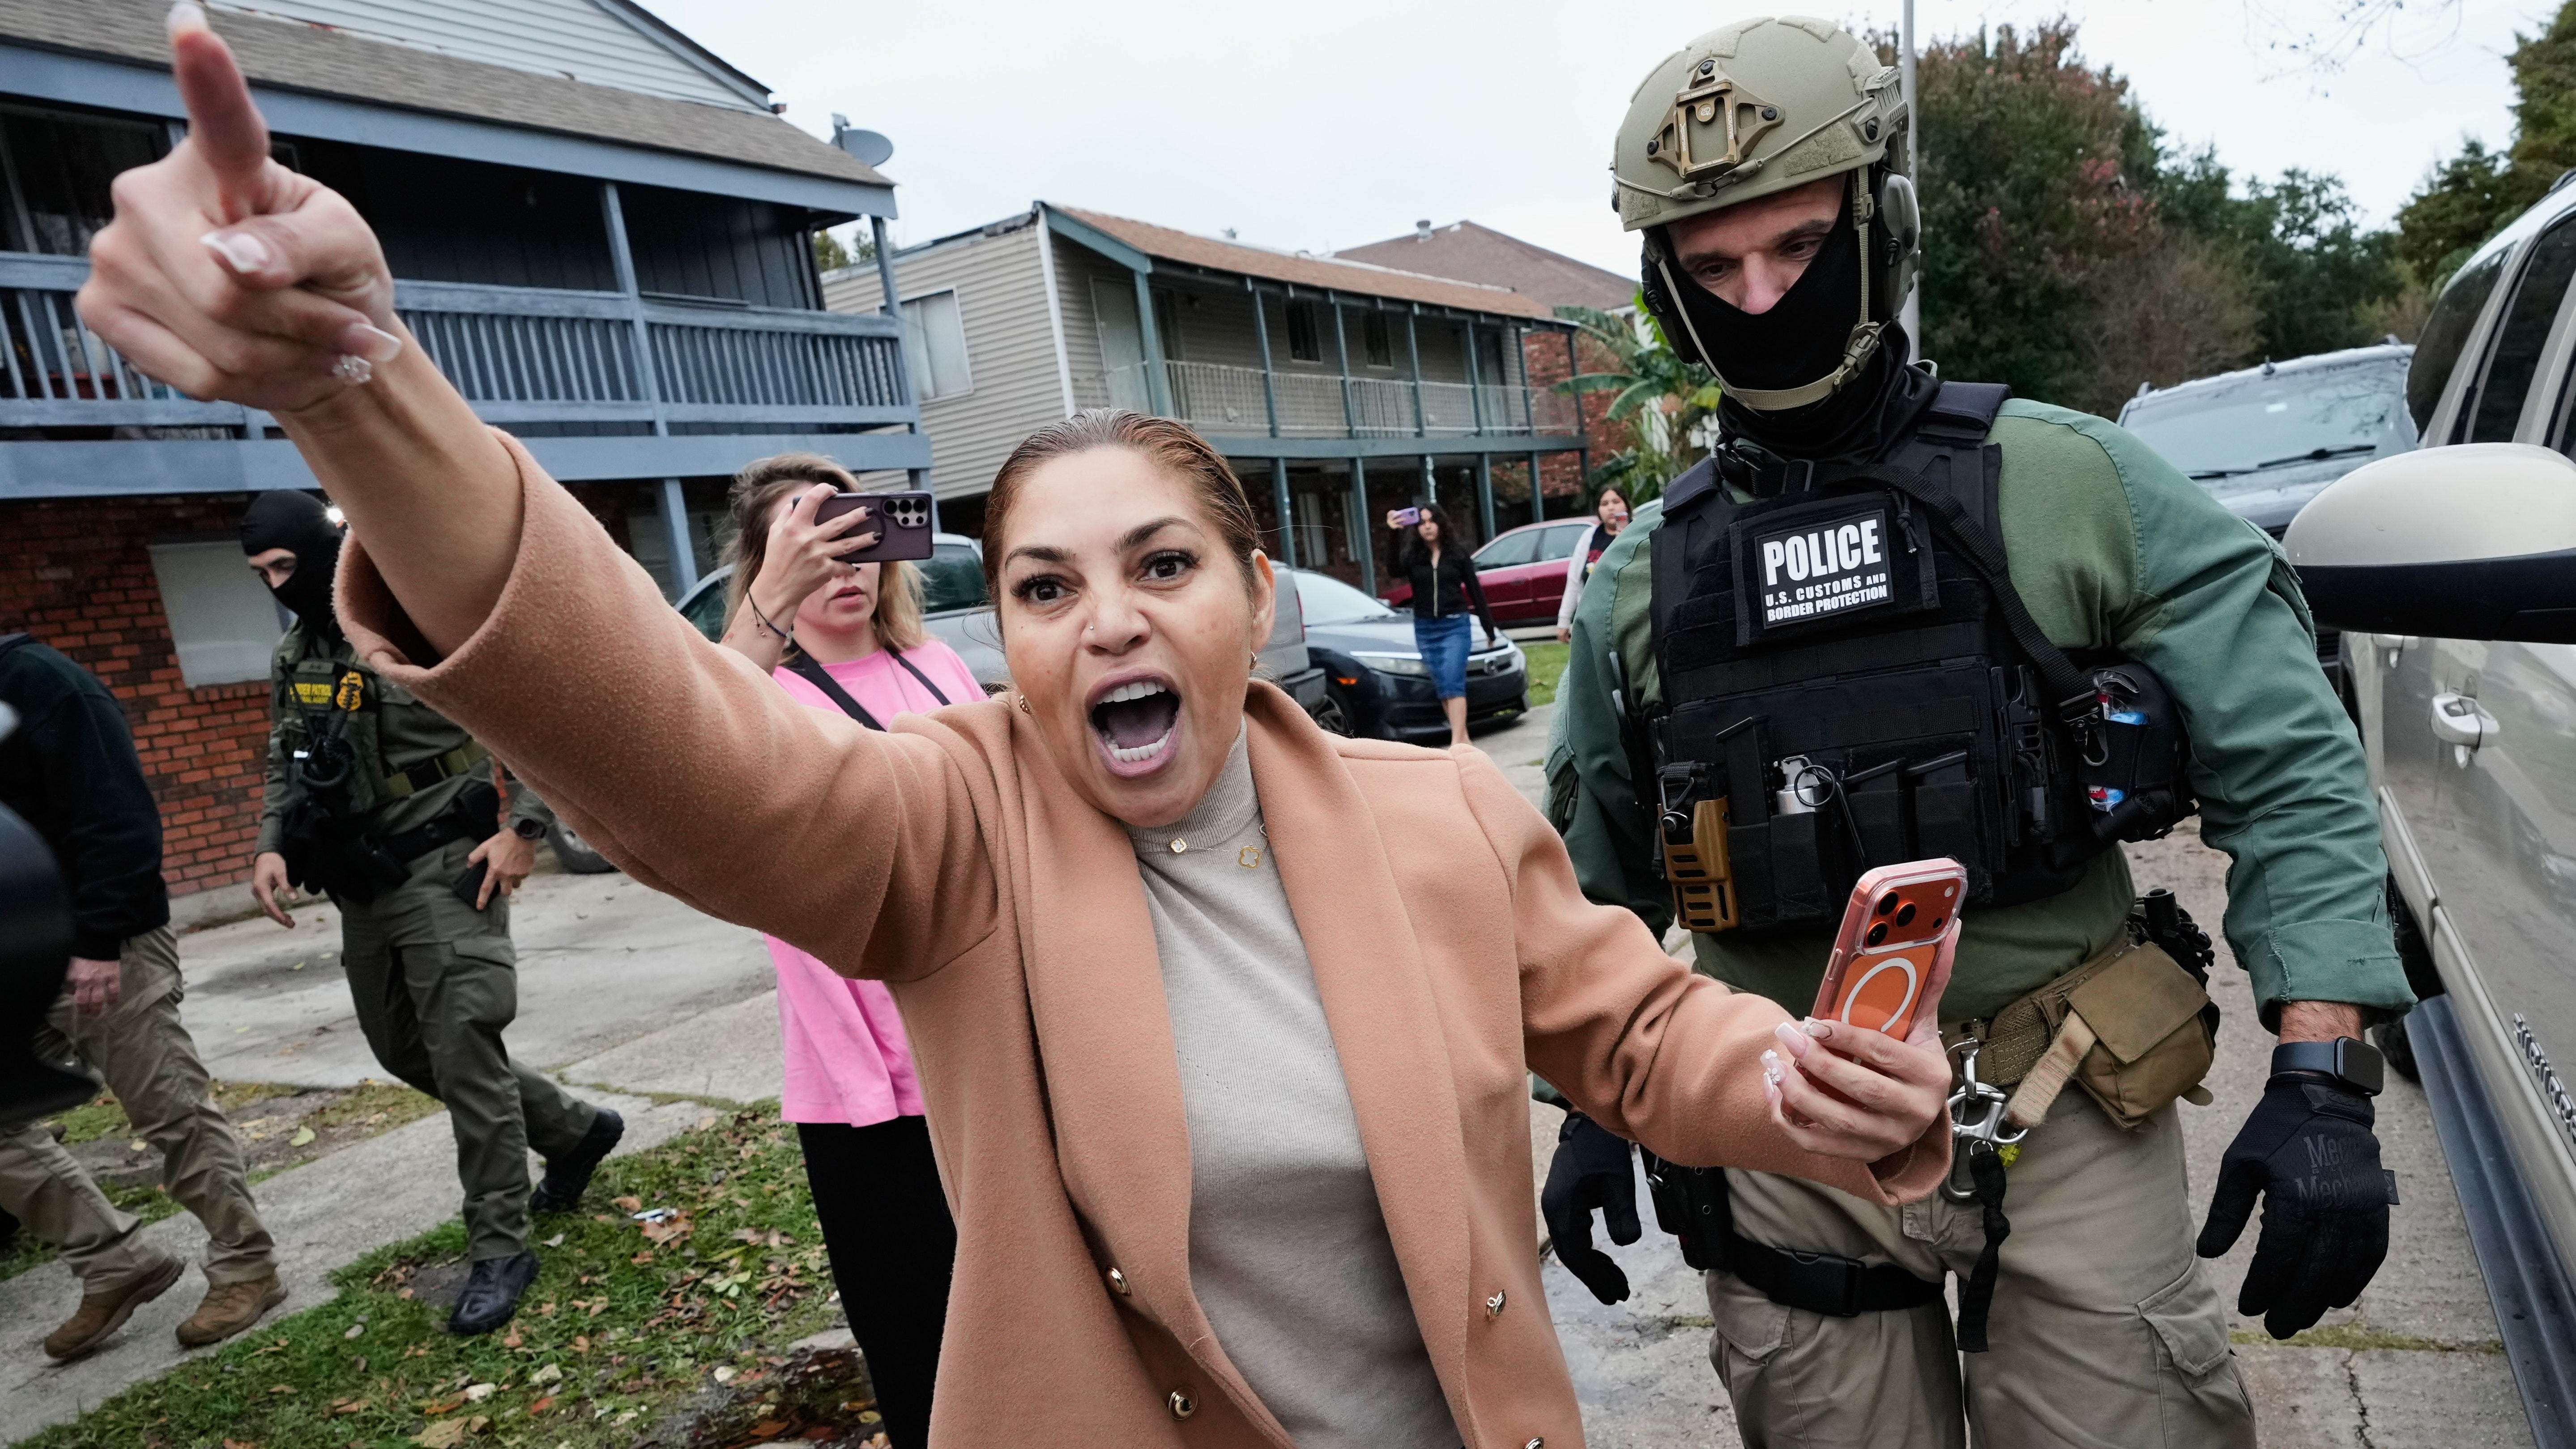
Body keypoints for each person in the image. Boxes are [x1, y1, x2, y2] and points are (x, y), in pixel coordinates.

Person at [80, 21, 1962, 1441]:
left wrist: (1794, 1081)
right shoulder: (953, 837)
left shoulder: (1433, 817)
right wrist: (363, 392)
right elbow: (680, 757)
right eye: (1045, 584)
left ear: (1253, 599)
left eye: (1161, 562)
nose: (1104, 613)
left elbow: (1636, 1033)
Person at [1537, 19, 2414, 1448]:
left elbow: (2287, 762)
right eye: (1712, 268)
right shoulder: (1642, 578)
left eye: (1796, 247)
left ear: (1877, 227)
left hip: (2064, 1095)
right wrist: (1591, 1104)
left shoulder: (2069, 485)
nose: (1759, 298)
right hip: (1782, 1122)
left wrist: (2325, 1072)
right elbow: (1589, 883)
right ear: (1665, 287)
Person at [235, 488, 622, 1337]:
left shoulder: (415, 620)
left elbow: (534, 713)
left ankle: (501, 1246)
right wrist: (271, 841)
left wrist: (525, 828)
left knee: (465, 1050)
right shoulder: (298, 651)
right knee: (402, 1047)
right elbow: (286, 755)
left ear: (324, 550)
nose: (276, 586)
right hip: (362, 877)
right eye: (260, 573)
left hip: (450, 864)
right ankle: (575, 1130)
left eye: (286, 566)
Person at [716, 453, 972, 1449]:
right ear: (766, 561)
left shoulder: (939, 667)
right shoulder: (759, 692)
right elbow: (692, 741)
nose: (842, 563)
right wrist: (766, 608)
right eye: (808, 540)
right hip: (860, 1078)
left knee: (1021, 1303)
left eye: (856, 535)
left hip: (977, 1041)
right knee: (914, 1338)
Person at [0, 634, 284, 1359]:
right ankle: (114, 1261)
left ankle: (247, 1265)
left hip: (103, 945)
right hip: (13, 958)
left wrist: (99, 939)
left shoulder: (42, 683)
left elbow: (117, 815)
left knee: (170, 1111)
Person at [1384, 503, 1501, 747]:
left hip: (1455, 626)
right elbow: (1394, 570)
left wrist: (1489, 628)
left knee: (1452, 680)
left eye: (1432, 521)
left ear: (1441, 523)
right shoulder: (1414, 556)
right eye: (1422, 523)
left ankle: (1456, 743)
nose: (1427, 527)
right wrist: (1394, 533)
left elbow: (1476, 591)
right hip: (1425, 628)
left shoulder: (1457, 554)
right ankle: (1465, 742)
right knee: (1443, 686)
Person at [1552, 486, 1629, 644]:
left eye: (1616, 502)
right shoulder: (1590, 537)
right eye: (1604, 504)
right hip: (1595, 619)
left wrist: (1624, 540)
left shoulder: (1637, 534)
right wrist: (1564, 621)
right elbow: (1574, 580)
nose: (1611, 508)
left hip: (1628, 616)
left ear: (1627, 506)